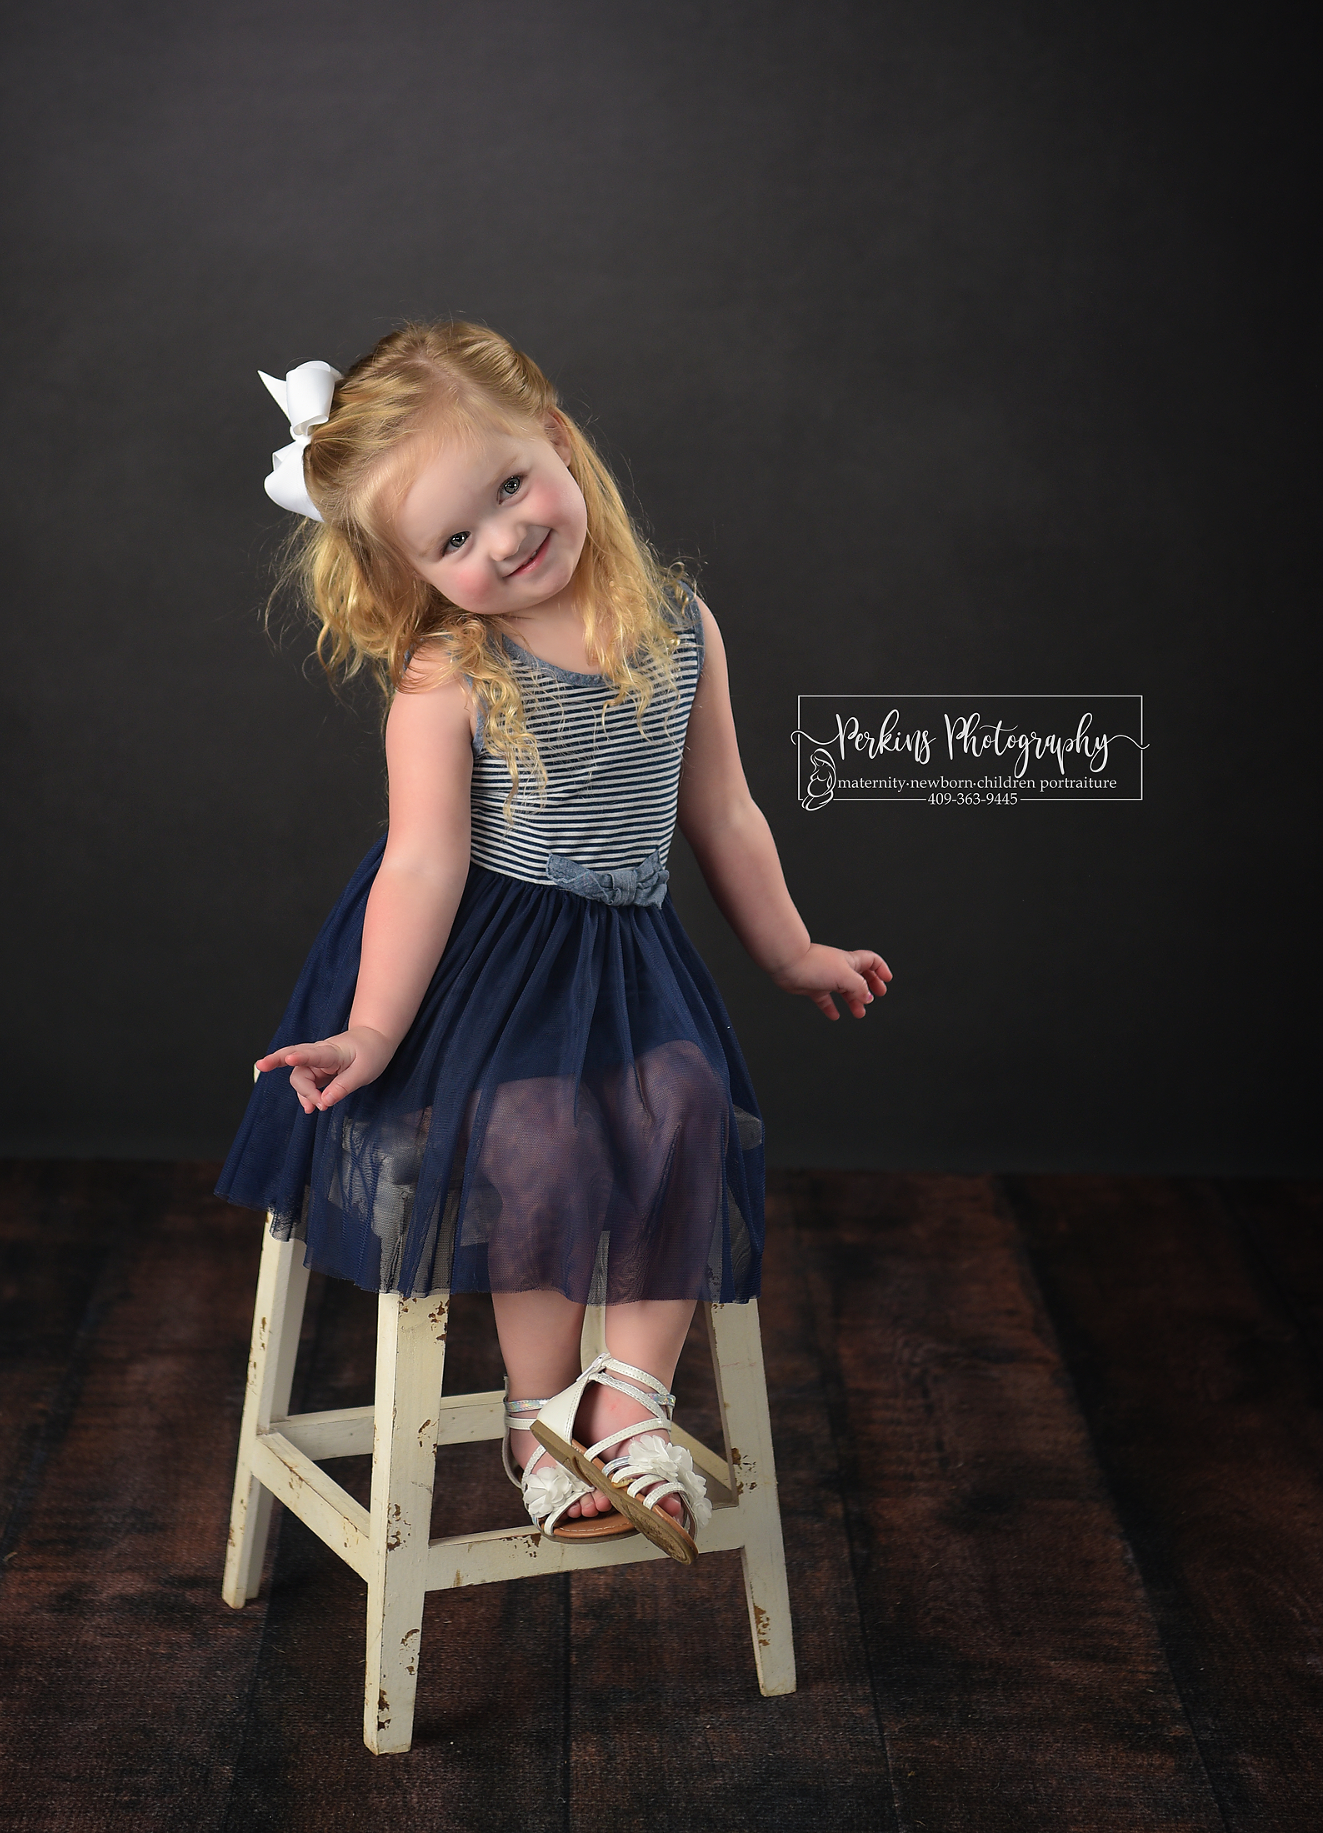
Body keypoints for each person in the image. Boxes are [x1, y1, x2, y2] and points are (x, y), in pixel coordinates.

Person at [217, 322, 890, 1560]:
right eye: (454, 540)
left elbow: (722, 807)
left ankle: (628, 1399)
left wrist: (791, 950)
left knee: (684, 1102)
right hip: (476, 967)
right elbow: (422, 861)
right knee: (542, 1134)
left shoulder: (679, 623)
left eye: (512, 487)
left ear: (560, 441)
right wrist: (372, 1024)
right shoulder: (449, 672)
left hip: (626, 955)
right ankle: (540, 1419)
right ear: (410, 569)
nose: (507, 537)